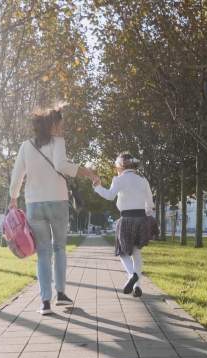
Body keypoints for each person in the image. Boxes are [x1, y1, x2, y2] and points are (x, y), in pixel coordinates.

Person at [9, 105, 95, 315]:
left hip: (34, 204)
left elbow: (17, 175)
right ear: (53, 125)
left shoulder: (25, 146)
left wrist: (13, 198)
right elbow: (61, 165)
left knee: (43, 252)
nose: (62, 127)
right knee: (59, 248)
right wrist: (87, 172)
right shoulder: (58, 142)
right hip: (57, 201)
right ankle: (61, 294)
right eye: (60, 123)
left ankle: (45, 301)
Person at [92, 153, 155, 297]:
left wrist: (97, 187)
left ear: (121, 166)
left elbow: (109, 196)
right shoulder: (143, 180)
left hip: (126, 219)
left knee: (122, 252)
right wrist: (147, 213)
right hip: (141, 218)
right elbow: (150, 204)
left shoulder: (119, 179)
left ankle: (132, 276)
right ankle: (137, 285)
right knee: (136, 252)